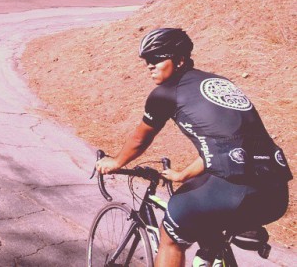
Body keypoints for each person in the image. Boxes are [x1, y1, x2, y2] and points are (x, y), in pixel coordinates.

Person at [96, 28, 291, 267]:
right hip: (275, 194)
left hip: (230, 190)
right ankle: (210, 254)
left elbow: (140, 139)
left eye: (157, 58)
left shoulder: (166, 93)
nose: (150, 65)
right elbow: (227, 143)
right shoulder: (220, 83)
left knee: (171, 238)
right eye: (147, 61)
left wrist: (115, 162)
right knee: (206, 228)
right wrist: (182, 175)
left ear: (179, 60)